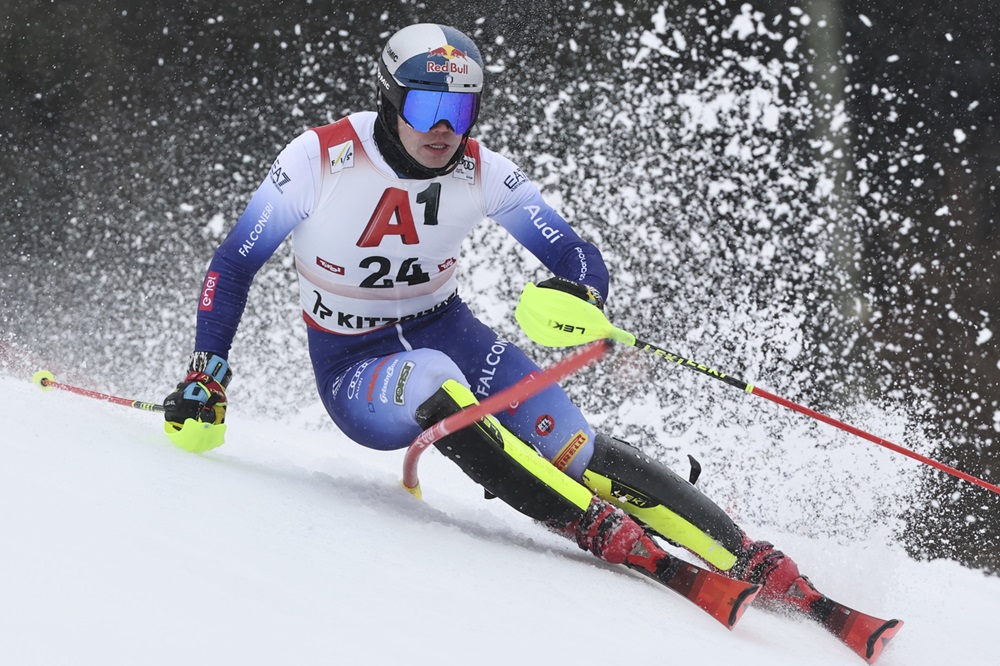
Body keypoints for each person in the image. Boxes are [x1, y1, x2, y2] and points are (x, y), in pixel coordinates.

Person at [162, 23, 820, 616]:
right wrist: (208, 373)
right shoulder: (320, 159)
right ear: (392, 102)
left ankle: (752, 558)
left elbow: (573, 251)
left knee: (572, 440)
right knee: (431, 378)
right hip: (352, 366)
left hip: (445, 326)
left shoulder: (482, 171)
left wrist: (581, 294)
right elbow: (233, 262)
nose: (444, 128)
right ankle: (595, 528)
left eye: (462, 110)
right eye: (426, 107)